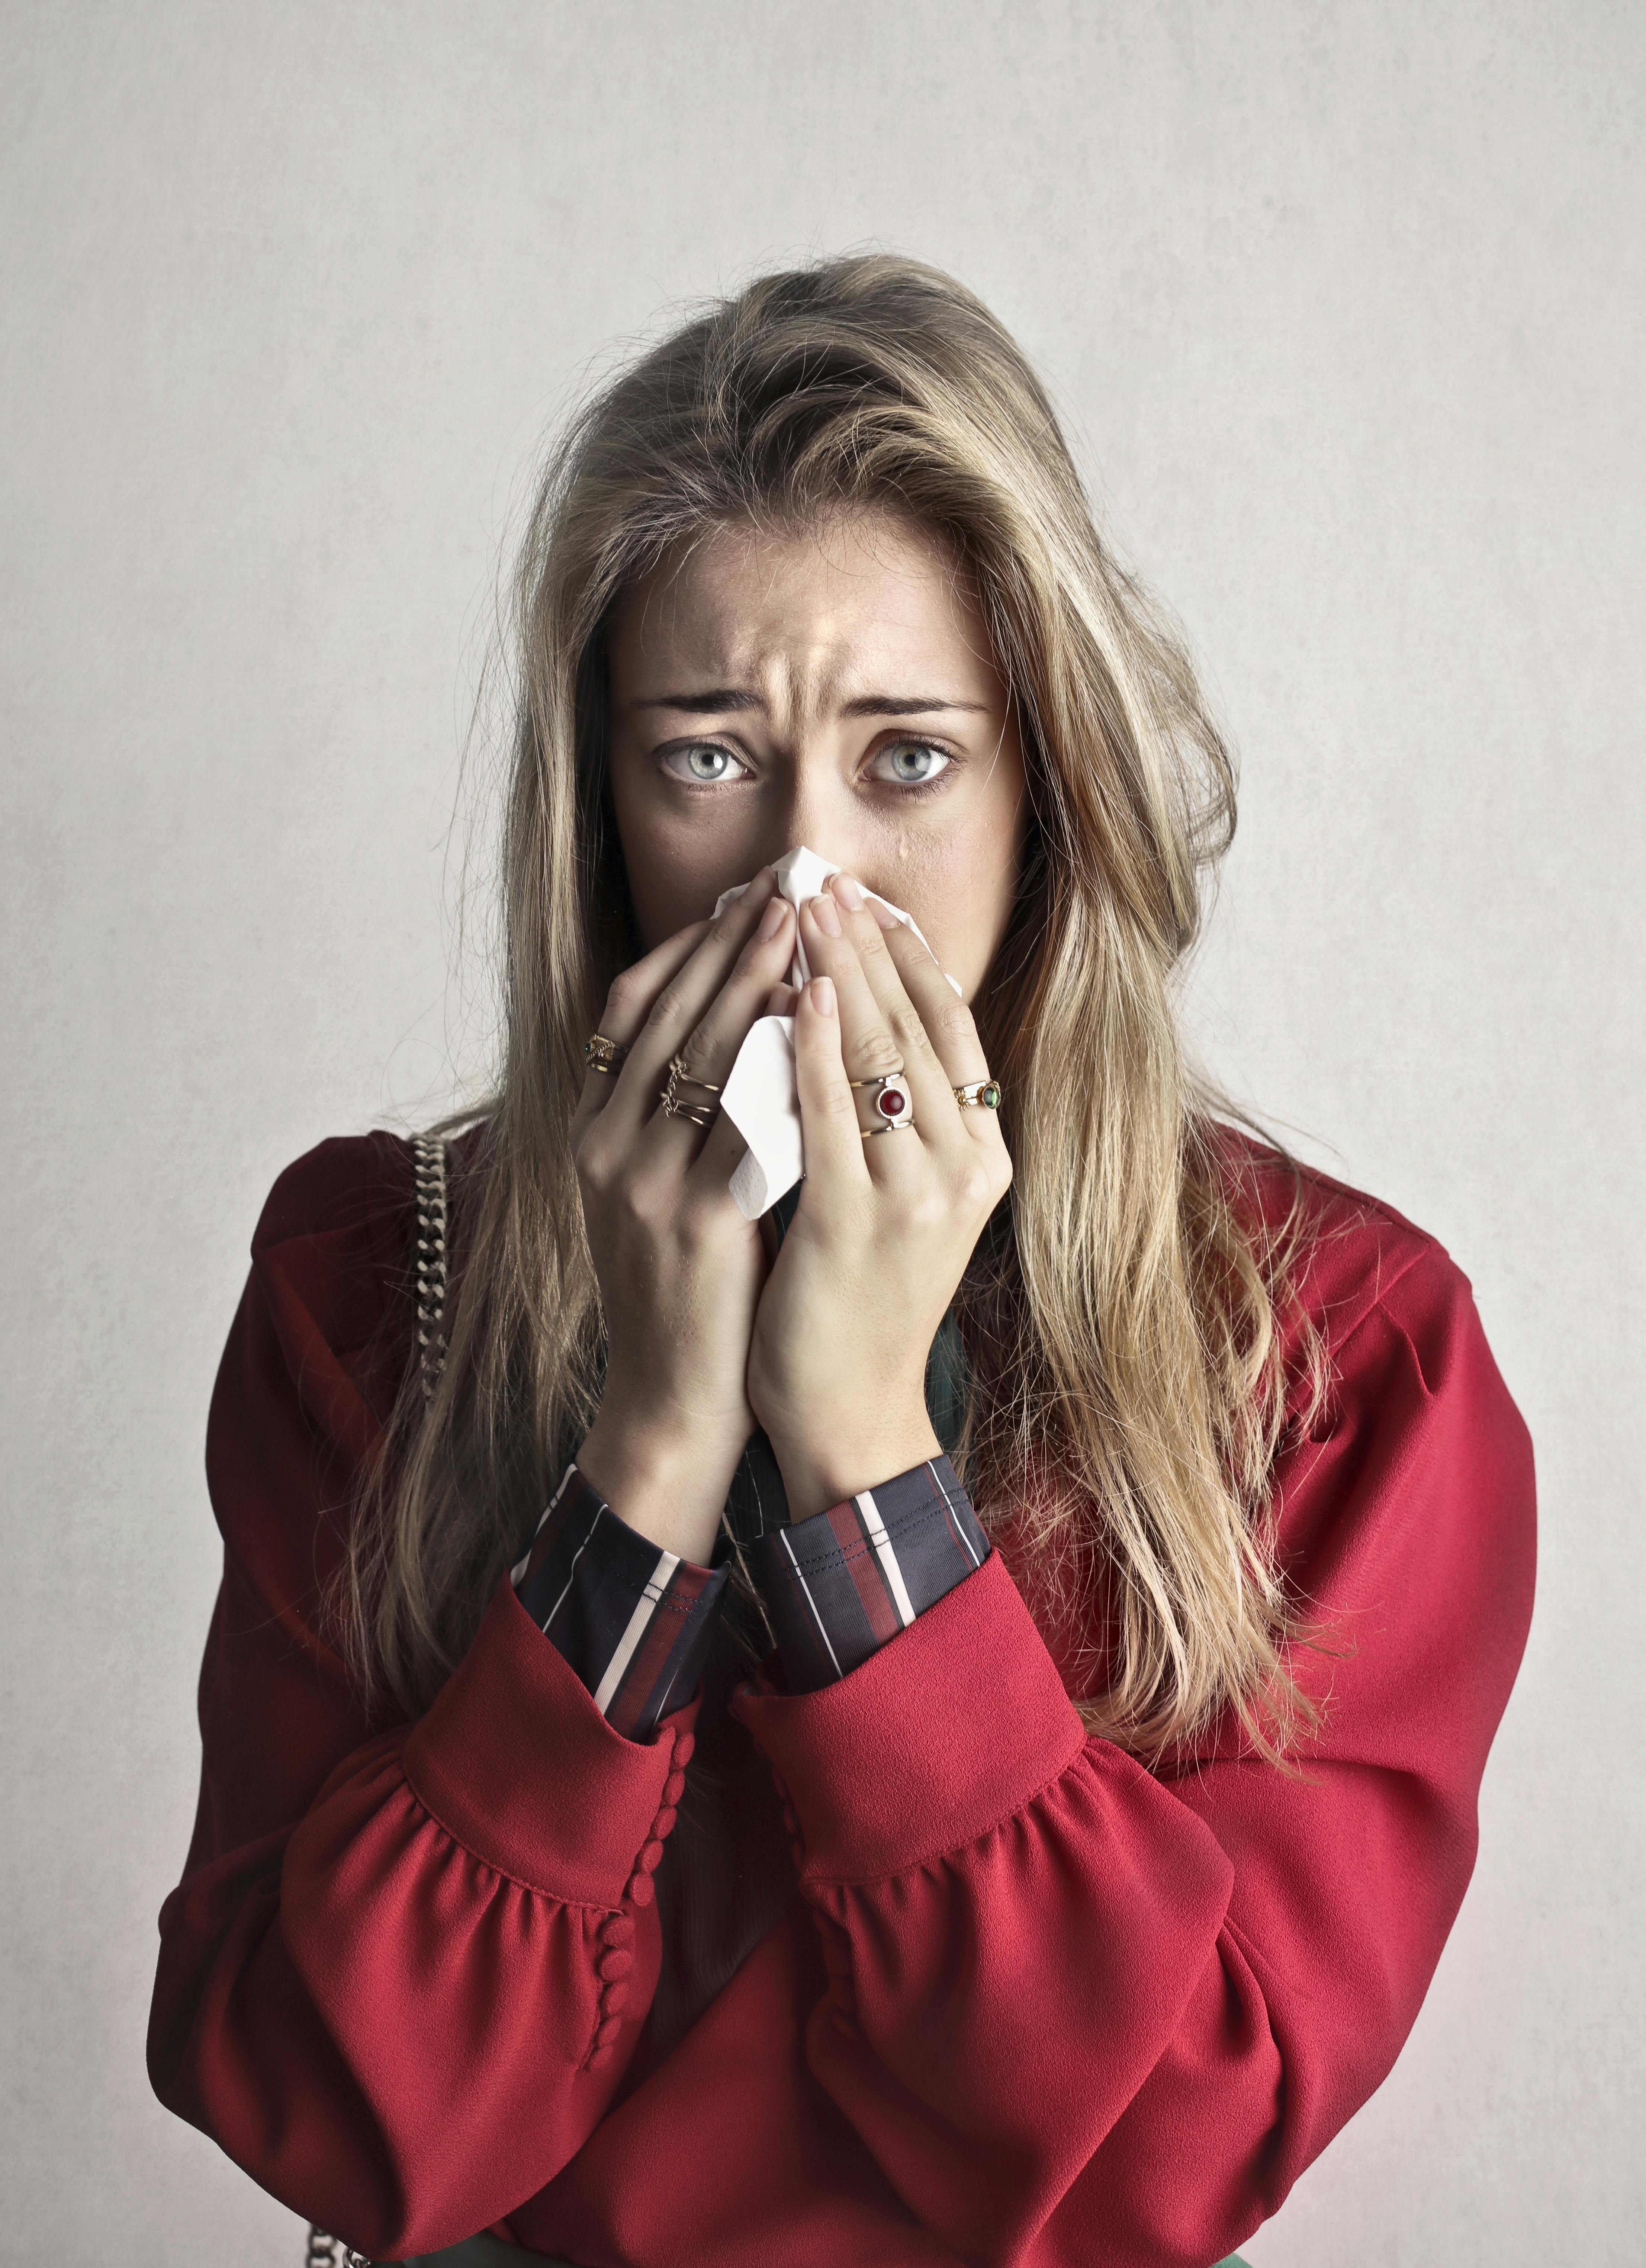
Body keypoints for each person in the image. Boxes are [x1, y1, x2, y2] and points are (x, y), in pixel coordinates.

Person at [146, 256, 1535, 2268]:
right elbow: (330, 2102)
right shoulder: (374, 1279)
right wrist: (649, 1445)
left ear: (1042, 782)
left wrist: (864, 1457)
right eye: (705, 755)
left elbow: (1163, 2153)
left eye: (906, 760)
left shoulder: (1335, 1349)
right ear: (601, 808)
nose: (805, 880)